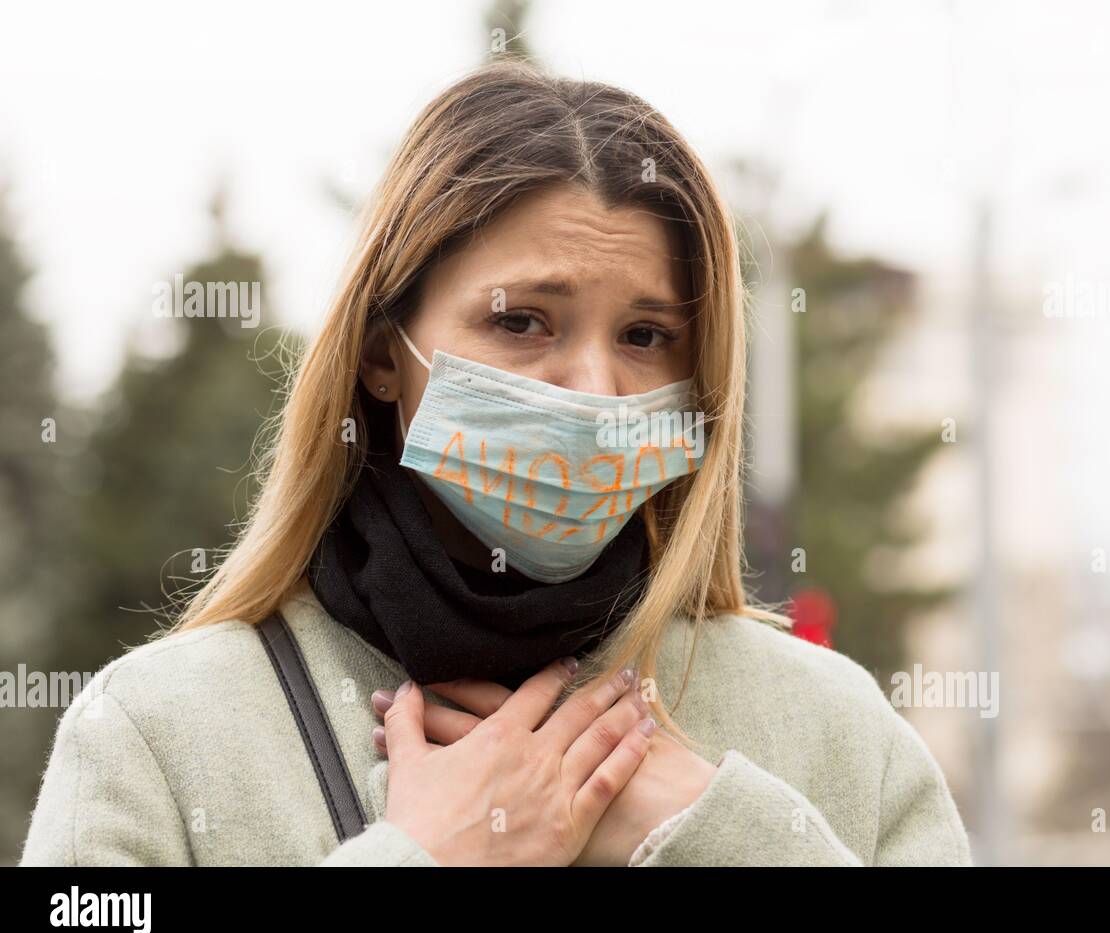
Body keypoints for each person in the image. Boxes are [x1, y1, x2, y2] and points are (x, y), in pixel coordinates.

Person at [20, 59, 972, 866]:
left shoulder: (834, 729)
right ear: (382, 353)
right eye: (522, 322)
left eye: (646, 335)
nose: (595, 390)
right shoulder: (155, 734)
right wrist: (422, 856)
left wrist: (710, 831)